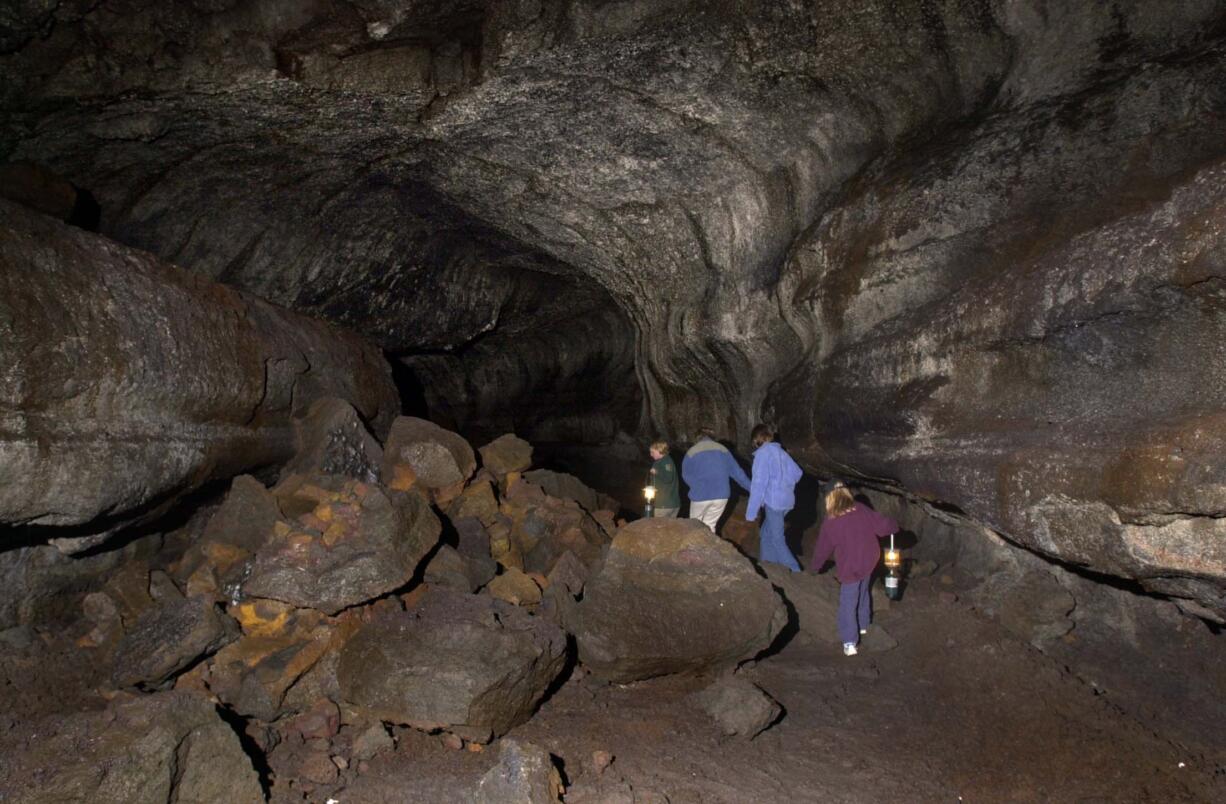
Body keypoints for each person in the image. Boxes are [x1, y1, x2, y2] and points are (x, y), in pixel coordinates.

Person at [810, 482, 898, 657]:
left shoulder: (831, 521)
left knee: (848, 602)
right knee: (864, 590)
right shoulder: (861, 509)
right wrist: (894, 525)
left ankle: (850, 642)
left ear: (829, 498)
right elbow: (884, 526)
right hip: (869, 560)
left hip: (851, 566)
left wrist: (815, 567)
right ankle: (864, 626)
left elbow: (822, 548)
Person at [744, 424, 803, 571]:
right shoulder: (781, 452)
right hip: (787, 501)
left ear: (756, 439)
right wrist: (785, 485)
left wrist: (751, 513)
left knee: (777, 538)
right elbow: (798, 473)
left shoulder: (762, 454)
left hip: (774, 503)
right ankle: (770, 565)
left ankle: (794, 569)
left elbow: (758, 485)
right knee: (766, 533)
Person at [682, 428, 751, 533]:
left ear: (697, 438)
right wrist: (753, 489)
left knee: (695, 528)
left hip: (700, 495)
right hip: (721, 496)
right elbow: (738, 474)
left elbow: (686, 475)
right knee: (710, 526)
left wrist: (696, 486)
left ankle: (697, 549)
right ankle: (709, 548)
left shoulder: (692, 451)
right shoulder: (723, 450)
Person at [648, 440, 680, 518]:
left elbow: (668, 478)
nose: (651, 455)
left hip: (664, 505)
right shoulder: (666, 461)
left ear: (659, 450)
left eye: (653, 452)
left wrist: (657, 472)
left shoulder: (666, 462)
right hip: (672, 504)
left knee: (659, 529)